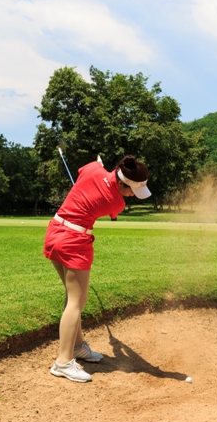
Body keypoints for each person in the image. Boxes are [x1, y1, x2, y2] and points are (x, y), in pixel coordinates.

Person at [43, 154, 151, 383]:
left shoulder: (94, 168)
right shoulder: (116, 203)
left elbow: (88, 171)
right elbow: (111, 210)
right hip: (74, 242)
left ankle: (78, 347)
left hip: (55, 232)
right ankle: (63, 362)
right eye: (131, 190)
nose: (131, 196)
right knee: (77, 301)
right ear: (123, 182)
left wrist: (99, 169)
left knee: (73, 296)